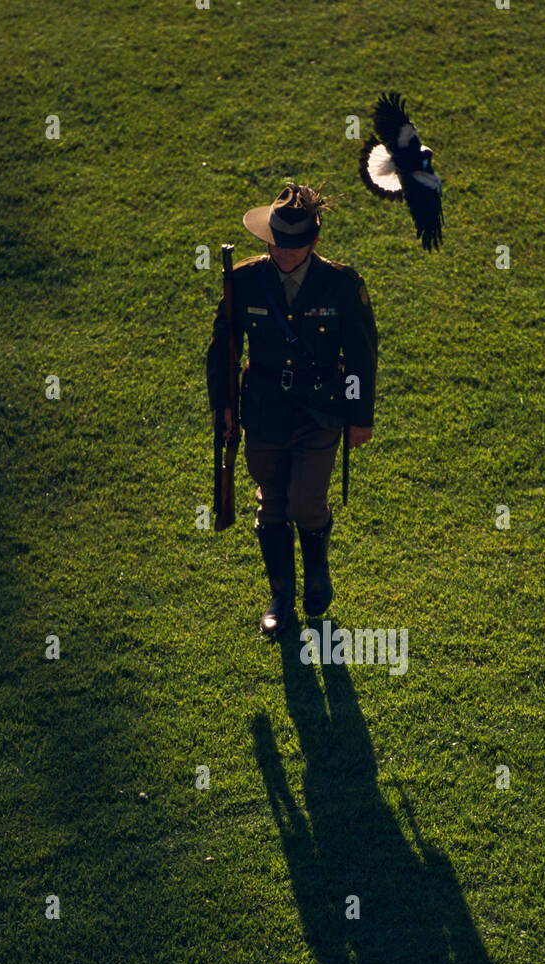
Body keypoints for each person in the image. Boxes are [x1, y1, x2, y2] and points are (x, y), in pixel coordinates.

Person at [207, 184, 378, 636]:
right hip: (263, 412)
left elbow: (361, 355)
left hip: (320, 411)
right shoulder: (243, 280)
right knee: (274, 504)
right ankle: (281, 596)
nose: (284, 255)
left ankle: (317, 574)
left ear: (315, 242)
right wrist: (222, 407)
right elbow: (221, 347)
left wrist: (360, 415)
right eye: (277, 246)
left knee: (305, 502)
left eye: (295, 247)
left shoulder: (342, 285)